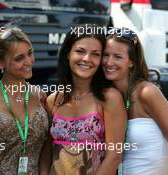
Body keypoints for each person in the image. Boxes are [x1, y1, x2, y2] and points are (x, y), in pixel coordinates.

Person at [46, 24, 127, 175]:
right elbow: (47, 152)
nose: (87, 59)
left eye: (95, 54)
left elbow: (114, 156)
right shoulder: (53, 100)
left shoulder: (110, 98)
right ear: (67, 54)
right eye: (80, 51)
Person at [0, 27, 50, 175]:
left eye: (30, 54)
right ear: (0, 62)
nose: (28, 62)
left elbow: (47, 146)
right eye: (19, 58)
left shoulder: (40, 96)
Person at [102, 27, 168, 175]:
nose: (109, 62)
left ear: (131, 62)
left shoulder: (147, 93)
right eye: (105, 55)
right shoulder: (106, 97)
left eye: (117, 57)